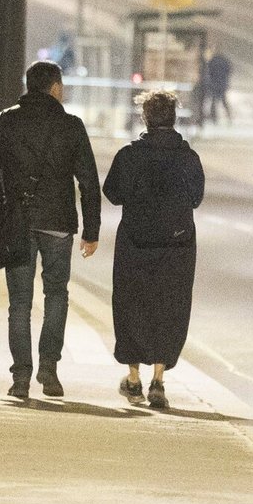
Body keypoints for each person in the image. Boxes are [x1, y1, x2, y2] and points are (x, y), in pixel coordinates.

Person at [0, 61, 101, 399]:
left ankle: (20, 378)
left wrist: (2, 200)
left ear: (28, 86)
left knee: (19, 303)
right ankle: (49, 368)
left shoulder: (7, 120)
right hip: (58, 223)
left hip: (18, 222)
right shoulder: (71, 126)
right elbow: (88, 181)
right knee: (56, 294)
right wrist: (92, 230)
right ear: (56, 88)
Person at [103, 90, 204, 409]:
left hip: (135, 242)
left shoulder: (130, 155)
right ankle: (159, 380)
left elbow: (113, 193)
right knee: (169, 306)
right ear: (173, 119)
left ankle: (133, 380)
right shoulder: (188, 158)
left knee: (131, 304)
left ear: (145, 118)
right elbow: (196, 198)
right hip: (177, 245)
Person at [205, 49, 233, 124]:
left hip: (214, 84)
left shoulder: (212, 61)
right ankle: (229, 117)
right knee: (224, 101)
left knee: (214, 101)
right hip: (222, 84)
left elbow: (208, 72)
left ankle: (214, 118)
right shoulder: (225, 61)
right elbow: (229, 71)